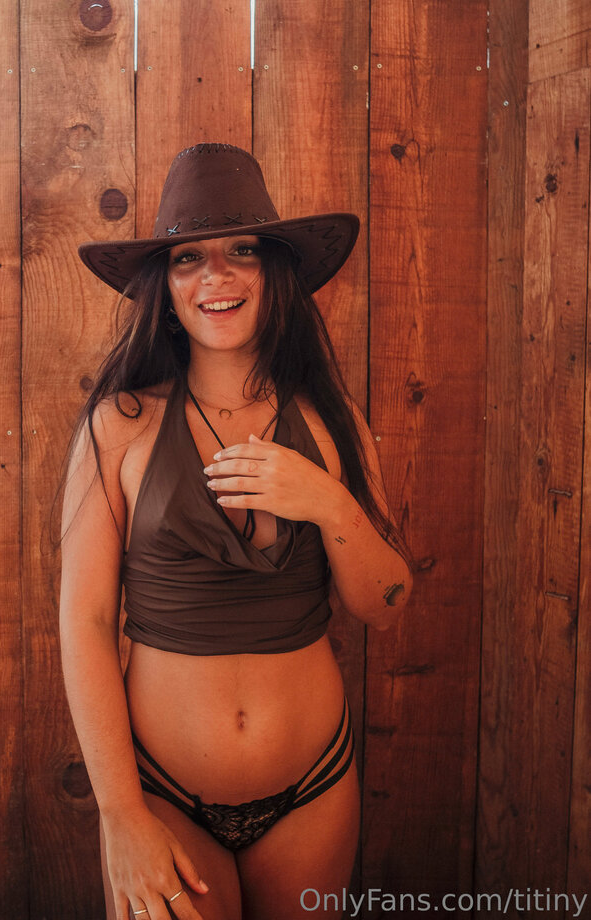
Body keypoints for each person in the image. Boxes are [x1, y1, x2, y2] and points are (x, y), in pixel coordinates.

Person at [59, 142, 413, 920]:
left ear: (274, 272)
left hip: (314, 789)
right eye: (188, 259)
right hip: (163, 794)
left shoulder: (332, 423)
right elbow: (84, 623)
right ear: (165, 287)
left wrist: (329, 503)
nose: (215, 277)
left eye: (241, 251)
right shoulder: (119, 427)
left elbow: (387, 604)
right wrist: (121, 815)